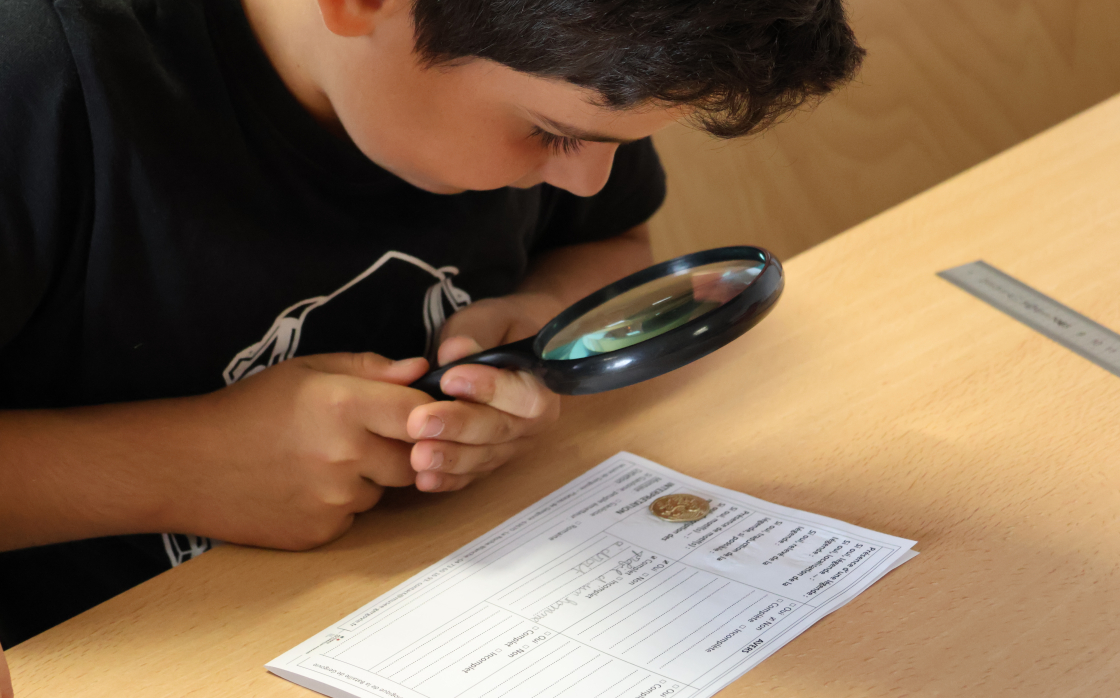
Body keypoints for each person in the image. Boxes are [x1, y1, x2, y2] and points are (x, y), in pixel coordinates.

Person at [0, 0, 864, 650]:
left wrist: (544, 324)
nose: (589, 180)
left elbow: (612, 238)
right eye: (551, 135)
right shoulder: (37, 82)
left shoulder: (575, 53)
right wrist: (178, 469)